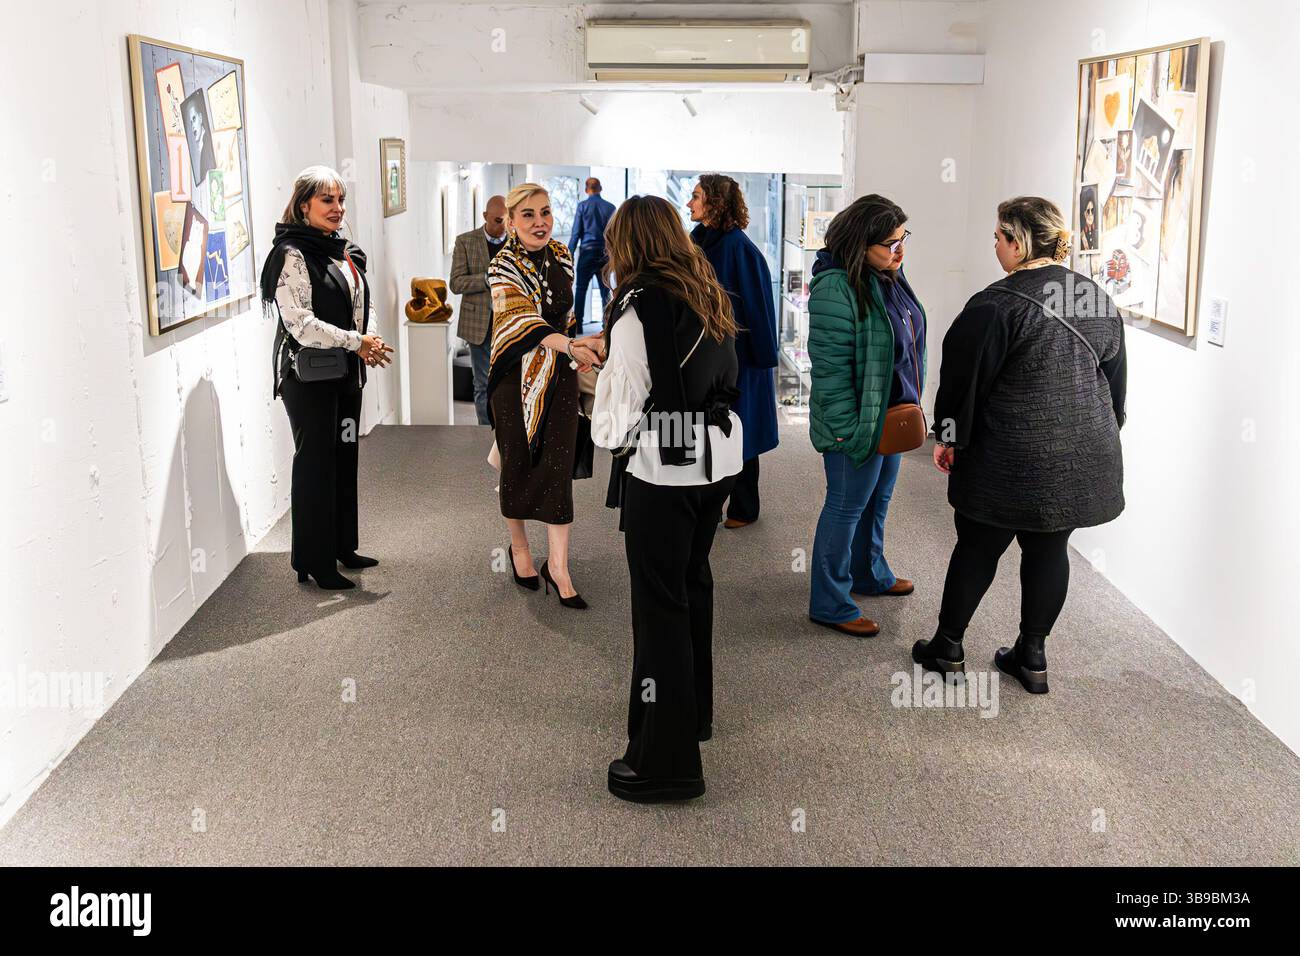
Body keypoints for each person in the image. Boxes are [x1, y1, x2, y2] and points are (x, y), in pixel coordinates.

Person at [912, 196, 1126, 693]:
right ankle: (1032, 657)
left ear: (1018, 241)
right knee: (1049, 551)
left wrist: (947, 438)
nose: (994, 247)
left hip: (1007, 457)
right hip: (1077, 457)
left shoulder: (996, 303)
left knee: (978, 549)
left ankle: (948, 647)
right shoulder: (1096, 298)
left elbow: (962, 384)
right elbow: (1114, 388)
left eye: (997, 238)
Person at [592, 195, 743, 803]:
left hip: (665, 468)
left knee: (659, 609)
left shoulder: (636, 308)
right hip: (716, 462)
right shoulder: (709, 291)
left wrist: (595, 389)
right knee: (692, 586)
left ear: (626, 245)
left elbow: (617, 420)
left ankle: (667, 764)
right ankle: (692, 716)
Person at [261, 165, 394, 590]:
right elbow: (300, 323)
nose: (338, 209)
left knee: (344, 455)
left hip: (345, 374)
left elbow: (361, 301)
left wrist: (367, 337)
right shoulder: (291, 255)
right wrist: (358, 342)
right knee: (316, 462)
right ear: (304, 206)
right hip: (309, 378)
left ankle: (341, 546)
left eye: (340, 200)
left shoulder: (340, 249)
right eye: (327, 201)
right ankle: (314, 561)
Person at [806, 195, 924, 637]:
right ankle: (830, 602)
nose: (900, 250)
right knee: (845, 506)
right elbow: (832, 372)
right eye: (890, 243)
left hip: (888, 415)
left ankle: (869, 572)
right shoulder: (836, 287)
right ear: (859, 243)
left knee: (878, 501)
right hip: (854, 422)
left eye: (902, 239)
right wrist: (848, 433)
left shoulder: (886, 275)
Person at [488, 183, 603, 607]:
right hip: (513, 378)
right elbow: (523, 323)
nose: (540, 222)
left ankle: (558, 566)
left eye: (546, 212)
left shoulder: (562, 255)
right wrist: (571, 345)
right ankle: (520, 549)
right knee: (516, 462)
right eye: (529, 215)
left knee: (558, 464)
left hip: (559, 374)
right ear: (512, 222)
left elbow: (566, 317)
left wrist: (580, 347)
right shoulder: (501, 266)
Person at [688, 174, 779, 528]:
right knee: (713, 428)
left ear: (715, 202)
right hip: (707, 356)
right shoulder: (697, 243)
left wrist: (759, 361)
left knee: (742, 432)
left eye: (696, 196)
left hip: (741, 359)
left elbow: (758, 309)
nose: (690, 203)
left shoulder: (740, 249)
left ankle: (744, 507)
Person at [450, 195, 509, 425]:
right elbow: (455, 283)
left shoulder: (517, 242)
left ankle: (506, 431)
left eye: (505, 220)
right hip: (478, 325)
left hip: (509, 322)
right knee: (482, 383)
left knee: (508, 382)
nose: (501, 226)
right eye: (496, 220)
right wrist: (485, 279)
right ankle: (484, 432)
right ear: (484, 216)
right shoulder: (465, 241)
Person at [567, 177, 616, 330]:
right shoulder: (610, 207)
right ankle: (606, 324)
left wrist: (568, 255)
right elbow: (613, 235)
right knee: (605, 290)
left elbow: (576, 233)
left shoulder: (582, 206)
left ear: (586, 190)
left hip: (586, 252)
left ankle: (578, 325)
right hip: (604, 253)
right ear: (600, 188)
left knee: (581, 289)